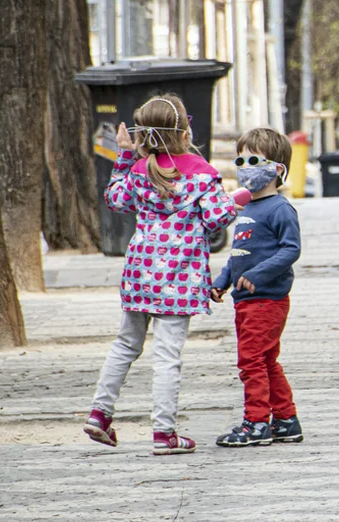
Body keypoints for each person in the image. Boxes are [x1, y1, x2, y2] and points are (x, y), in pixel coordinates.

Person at [83, 94, 239, 455]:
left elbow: (116, 199)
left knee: (125, 344)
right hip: (179, 279)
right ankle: (164, 432)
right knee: (167, 354)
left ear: (143, 136)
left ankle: (99, 413)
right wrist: (236, 199)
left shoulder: (139, 171)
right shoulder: (201, 173)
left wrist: (125, 155)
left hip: (140, 274)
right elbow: (218, 218)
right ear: (185, 133)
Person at [212, 128, 304, 447]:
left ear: (277, 169)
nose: (245, 166)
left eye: (254, 160)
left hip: (266, 300)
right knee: (264, 360)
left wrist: (260, 275)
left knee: (250, 361)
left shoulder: (280, 209)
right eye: (241, 159)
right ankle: (285, 418)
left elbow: (290, 249)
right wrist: (222, 282)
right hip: (246, 300)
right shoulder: (247, 208)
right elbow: (239, 254)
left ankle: (256, 422)